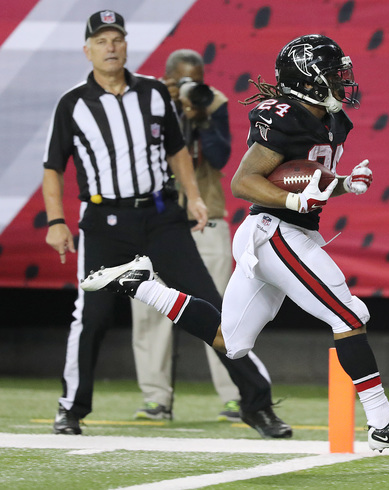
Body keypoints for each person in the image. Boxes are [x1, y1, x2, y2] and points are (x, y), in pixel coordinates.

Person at [81, 34, 389, 452]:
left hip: (286, 231)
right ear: (307, 79)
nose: (341, 81)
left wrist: (345, 183)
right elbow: (243, 182)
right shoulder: (285, 116)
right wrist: (294, 201)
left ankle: (139, 284)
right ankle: (382, 423)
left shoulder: (332, 119)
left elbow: (310, 179)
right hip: (275, 232)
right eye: (332, 73)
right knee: (348, 314)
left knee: (231, 343)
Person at [43, 10, 291, 438]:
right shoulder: (73, 103)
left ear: (126, 45)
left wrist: (193, 196)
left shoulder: (155, 92)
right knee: (92, 316)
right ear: (87, 50)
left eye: (116, 39)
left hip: (160, 216)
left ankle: (257, 405)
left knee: (211, 305)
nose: (110, 47)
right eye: (101, 41)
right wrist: (56, 220)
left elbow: (177, 150)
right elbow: (53, 166)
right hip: (103, 221)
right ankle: (71, 408)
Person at [130, 49, 263, 423]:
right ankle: (156, 398)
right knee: (148, 312)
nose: (191, 86)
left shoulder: (213, 102)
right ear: (167, 79)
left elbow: (220, 158)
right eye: (182, 81)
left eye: (197, 80)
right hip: (155, 222)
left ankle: (235, 395)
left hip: (205, 221)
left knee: (220, 311)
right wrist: (169, 109)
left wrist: (200, 118)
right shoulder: (147, 102)